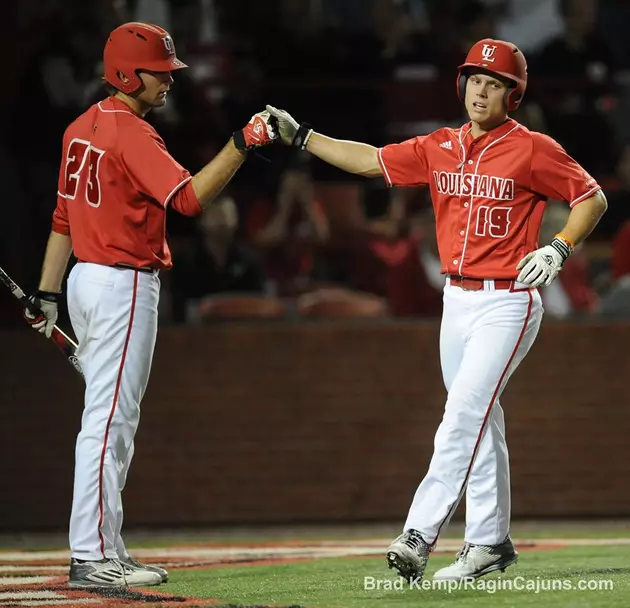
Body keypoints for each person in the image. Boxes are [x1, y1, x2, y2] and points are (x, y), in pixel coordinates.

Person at [266, 37, 607, 582]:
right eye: (476, 79)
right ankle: (489, 542)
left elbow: (591, 197)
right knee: (481, 419)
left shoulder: (534, 148)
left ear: (512, 95)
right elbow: (370, 161)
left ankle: (419, 532)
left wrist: (559, 245)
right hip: (456, 299)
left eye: (495, 84)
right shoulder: (439, 145)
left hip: (508, 300)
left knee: (462, 416)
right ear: (461, 84)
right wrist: (304, 137)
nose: (482, 90)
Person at [24, 22, 276, 588]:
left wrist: (46, 292)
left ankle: (105, 547)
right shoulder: (133, 135)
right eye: (158, 73)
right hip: (122, 284)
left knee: (110, 418)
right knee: (109, 422)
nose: (167, 81)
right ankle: (89, 555)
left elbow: (64, 219)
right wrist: (243, 142)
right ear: (124, 74)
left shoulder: (79, 127)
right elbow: (189, 200)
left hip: (85, 281)